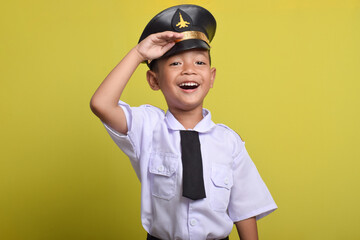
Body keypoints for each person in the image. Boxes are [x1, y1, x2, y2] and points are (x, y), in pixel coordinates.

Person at [90, 4, 277, 240]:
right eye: (175, 63)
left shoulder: (229, 142)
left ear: (211, 77)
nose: (189, 70)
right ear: (153, 80)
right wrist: (139, 54)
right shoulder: (147, 128)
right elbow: (101, 104)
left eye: (199, 63)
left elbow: (245, 209)